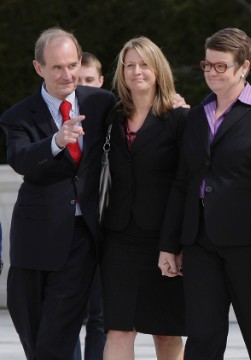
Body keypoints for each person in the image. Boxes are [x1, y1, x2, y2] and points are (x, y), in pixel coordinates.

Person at [158, 28, 251, 360]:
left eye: (221, 66)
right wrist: (169, 244)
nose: (212, 72)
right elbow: (182, 183)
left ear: (243, 67)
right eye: (207, 65)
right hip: (199, 242)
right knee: (203, 337)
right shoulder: (194, 117)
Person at [0, 27, 116, 359]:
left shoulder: (102, 103)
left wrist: (176, 111)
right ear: (39, 68)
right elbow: (20, 160)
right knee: (33, 331)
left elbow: (137, 129)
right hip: (35, 236)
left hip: (83, 233)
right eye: (57, 67)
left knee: (59, 331)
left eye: (72, 64)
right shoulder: (18, 116)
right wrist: (55, 142)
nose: (67, 75)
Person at [100, 37, 187, 360]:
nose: (136, 71)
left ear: (158, 69)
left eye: (144, 64)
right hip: (119, 237)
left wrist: (177, 243)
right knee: (119, 327)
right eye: (129, 65)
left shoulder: (180, 118)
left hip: (164, 237)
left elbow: (187, 182)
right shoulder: (110, 116)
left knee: (166, 330)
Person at [73, 51, 106, 360]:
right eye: (77, 80)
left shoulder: (114, 117)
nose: (82, 87)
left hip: (105, 231)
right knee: (67, 317)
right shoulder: (57, 118)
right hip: (68, 231)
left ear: (101, 81)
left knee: (101, 318)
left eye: (89, 80)